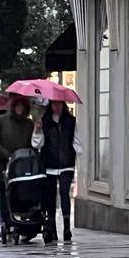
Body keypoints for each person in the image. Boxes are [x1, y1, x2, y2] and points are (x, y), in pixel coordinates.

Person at [0, 96, 34, 239]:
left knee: (24, 193)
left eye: (22, 107)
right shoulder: (1, 122)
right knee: (4, 195)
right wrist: (7, 155)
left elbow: (32, 144)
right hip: (4, 166)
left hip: (22, 167)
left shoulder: (29, 125)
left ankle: (25, 223)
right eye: (17, 106)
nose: (19, 110)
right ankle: (6, 222)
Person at [37, 101, 80, 243]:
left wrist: (74, 154)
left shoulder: (71, 121)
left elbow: (77, 141)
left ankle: (67, 228)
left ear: (63, 105)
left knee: (64, 193)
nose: (56, 107)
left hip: (66, 164)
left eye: (59, 104)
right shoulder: (45, 121)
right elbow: (37, 143)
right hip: (50, 163)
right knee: (50, 197)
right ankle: (52, 228)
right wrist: (37, 130)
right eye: (54, 104)